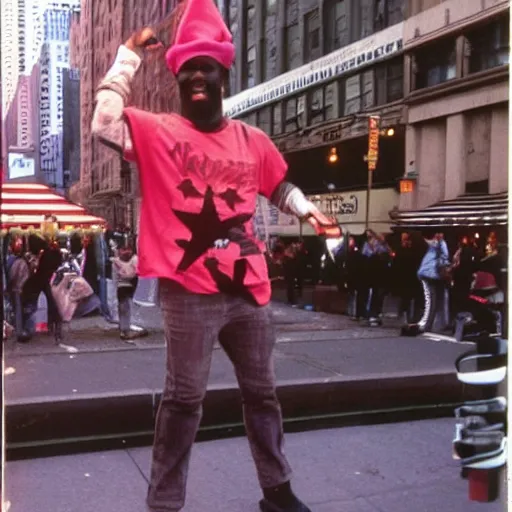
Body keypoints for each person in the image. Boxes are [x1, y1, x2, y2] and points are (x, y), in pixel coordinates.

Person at [91, 1, 339, 510]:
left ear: (224, 74)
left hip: (249, 292)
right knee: (184, 402)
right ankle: (164, 503)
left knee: (263, 395)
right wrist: (128, 56)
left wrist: (309, 210)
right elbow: (102, 122)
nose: (196, 76)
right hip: (189, 293)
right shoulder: (157, 131)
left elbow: (278, 183)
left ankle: (277, 491)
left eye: (206, 68)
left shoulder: (253, 139)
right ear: (178, 77)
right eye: (187, 69)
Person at [416, 232, 451, 333]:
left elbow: (444, 256)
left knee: (430, 300)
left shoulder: (438, 244)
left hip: (429, 273)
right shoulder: (438, 244)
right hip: (431, 273)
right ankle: (429, 324)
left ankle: (427, 324)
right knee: (432, 300)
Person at [361, 230, 392, 327]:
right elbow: (365, 255)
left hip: (379, 273)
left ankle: (375, 314)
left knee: (378, 294)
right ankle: (371, 314)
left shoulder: (383, 245)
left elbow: (389, 252)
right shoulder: (368, 245)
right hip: (372, 273)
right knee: (373, 294)